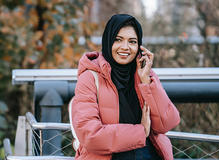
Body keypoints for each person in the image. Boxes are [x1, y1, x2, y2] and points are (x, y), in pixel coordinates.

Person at [71, 14, 180, 160]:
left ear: (139, 46)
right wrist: (140, 132)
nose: (125, 47)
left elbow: (166, 123)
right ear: (108, 40)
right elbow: (89, 135)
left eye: (132, 41)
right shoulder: (90, 77)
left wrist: (146, 81)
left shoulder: (144, 74)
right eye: (118, 40)